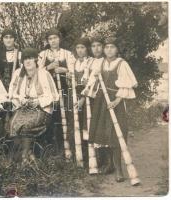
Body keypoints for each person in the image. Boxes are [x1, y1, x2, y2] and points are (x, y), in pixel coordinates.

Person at [85, 36, 138, 182]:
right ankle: (109, 165)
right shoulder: (100, 63)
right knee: (103, 132)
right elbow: (91, 81)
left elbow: (127, 85)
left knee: (116, 133)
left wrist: (117, 100)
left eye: (112, 47)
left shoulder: (121, 64)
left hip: (116, 101)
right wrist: (91, 84)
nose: (109, 50)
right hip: (102, 101)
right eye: (107, 47)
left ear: (117, 49)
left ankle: (119, 169)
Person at [8, 48, 59, 164]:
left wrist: (39, 101)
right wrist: (21, 100)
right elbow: (12, 93)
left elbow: (54, 95)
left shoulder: (44, 74)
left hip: (41, 109)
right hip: (24, 108)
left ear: (36, 60)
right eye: (25, 59)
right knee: (12, 124)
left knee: (26, 125)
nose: (28, 61)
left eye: (30, 58)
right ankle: (27, 154)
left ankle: (25, 157)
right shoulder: (18, 74)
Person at [37, 28, 76, 153]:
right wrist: (49, 67)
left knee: (63, 117)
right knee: (50, 117)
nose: (53, 41)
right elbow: (37, 73)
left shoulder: (67, 54)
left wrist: (64, 70)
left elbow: (74, 71)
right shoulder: (43, 55)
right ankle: (52, 149)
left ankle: (67, 148)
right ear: (47, 41)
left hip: (64, 89)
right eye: (50, 39)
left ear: (59, 39)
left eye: (55, 38)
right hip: (48, 92)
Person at [72, 37, 93, 167]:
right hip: (75, 96)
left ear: (87, 49)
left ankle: (92, 157)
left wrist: (84, 99)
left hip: (88, 97)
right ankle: (81, 157)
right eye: (78, 48)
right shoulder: (73, 63)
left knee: (87, 124)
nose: (80, 50)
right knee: (77, 124)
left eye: (83, 48)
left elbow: (91, 83)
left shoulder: (91, 62)